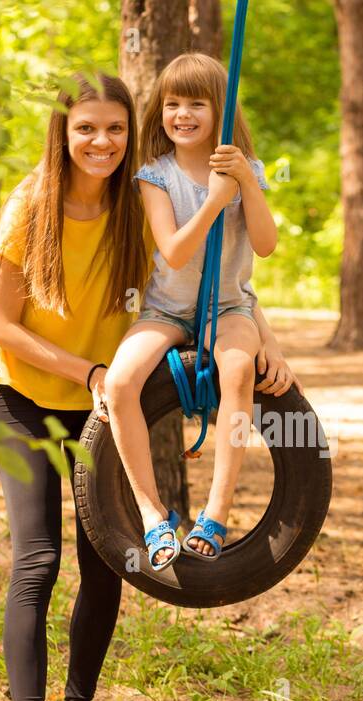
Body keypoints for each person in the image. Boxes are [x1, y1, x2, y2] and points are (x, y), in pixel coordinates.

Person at [0, 72, 150, 701]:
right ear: (64, 132)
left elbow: (194, 281)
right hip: (23, 401)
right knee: (38, 559)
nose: (101, 142)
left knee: (106, 554)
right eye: (87, 128)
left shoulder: (136, 207)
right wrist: (86, 369)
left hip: (96, 412)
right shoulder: (29, 204)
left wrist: (253, 339)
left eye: (114, 128)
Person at [101, 52, 295, 570]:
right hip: (166, 310)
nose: (182, 114)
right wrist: (212, 202)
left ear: (221, 113)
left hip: (228, 307)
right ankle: (150, 514)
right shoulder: (154, 175)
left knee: (236, 369)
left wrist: (246, 185)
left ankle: (215, 512)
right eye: (172, 103)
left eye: (197, 104)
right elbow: (175, 252)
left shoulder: (245, 169)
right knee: (119, 384)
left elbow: (267, 244)